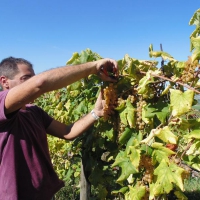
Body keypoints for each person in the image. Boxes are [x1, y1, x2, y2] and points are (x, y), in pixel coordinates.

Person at [0, 57, 118, 200]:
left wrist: (96, 112)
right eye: (25, 78)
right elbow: (39, 84)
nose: (30, 82)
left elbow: (67, 132)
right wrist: (93, 67)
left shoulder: (34, 112)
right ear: (4, 82)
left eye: (32, 77)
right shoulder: (2, 106)